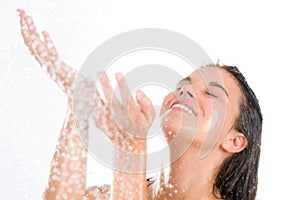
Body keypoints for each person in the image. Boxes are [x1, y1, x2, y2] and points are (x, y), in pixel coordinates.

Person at [18, 9, 262, 200]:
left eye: (211, 93)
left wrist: (131, 146)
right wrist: (79, 104)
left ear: (234, 141)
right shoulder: (112, 192)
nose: (185, 89)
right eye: (182, 85)